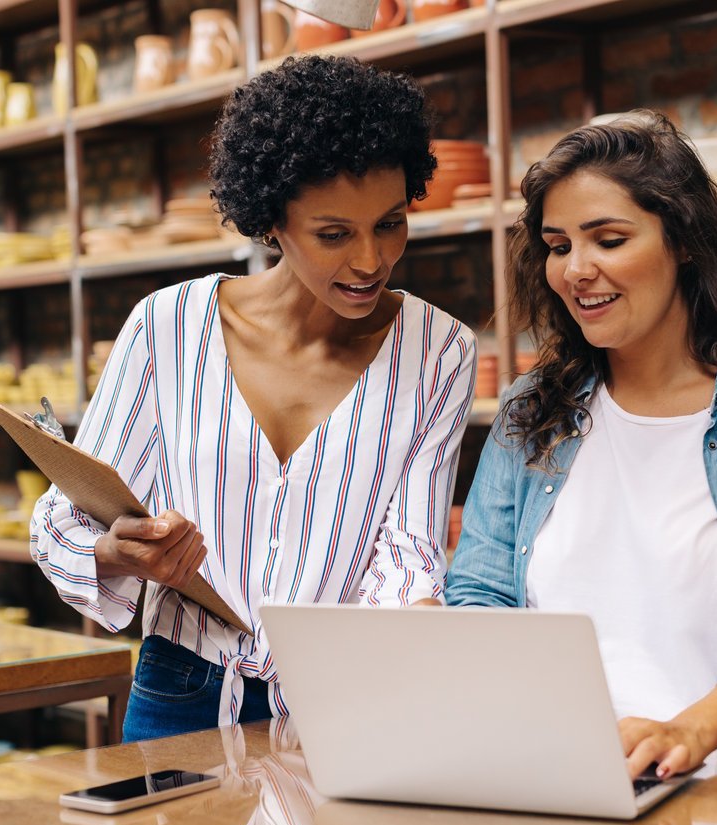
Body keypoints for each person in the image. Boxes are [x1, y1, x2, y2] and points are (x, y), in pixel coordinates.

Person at [32, 55, 476, 743]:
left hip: (347, 700)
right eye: (334, 234)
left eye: (389, 223)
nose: (369, 260)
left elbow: (408, 550)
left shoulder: (440, 349)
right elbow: (67, 518)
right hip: (180, 688)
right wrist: (125, 554)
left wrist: (430, 639)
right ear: (272, 221)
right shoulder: (168, 326)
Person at [442, 111, 717, 777]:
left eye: (609, 239)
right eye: (559, 245)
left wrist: (686, 733)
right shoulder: (530, 411)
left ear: (681, 241)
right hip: (547, 772)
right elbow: (478, 593)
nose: (576, 270)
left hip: (707, 778)